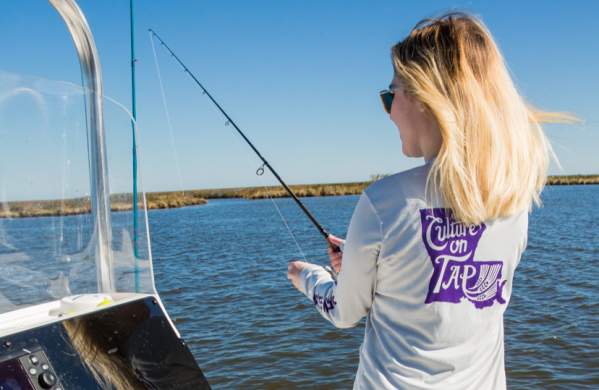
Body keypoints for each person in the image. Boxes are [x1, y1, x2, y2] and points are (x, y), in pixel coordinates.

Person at [287, 11, 577, 390]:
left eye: (390, 95)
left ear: (425, 97)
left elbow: (345, 311)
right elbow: (449, 292)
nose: (388, 111)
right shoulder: (514, 200)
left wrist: (308, 277)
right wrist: (366, 259)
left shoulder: (382, 202)